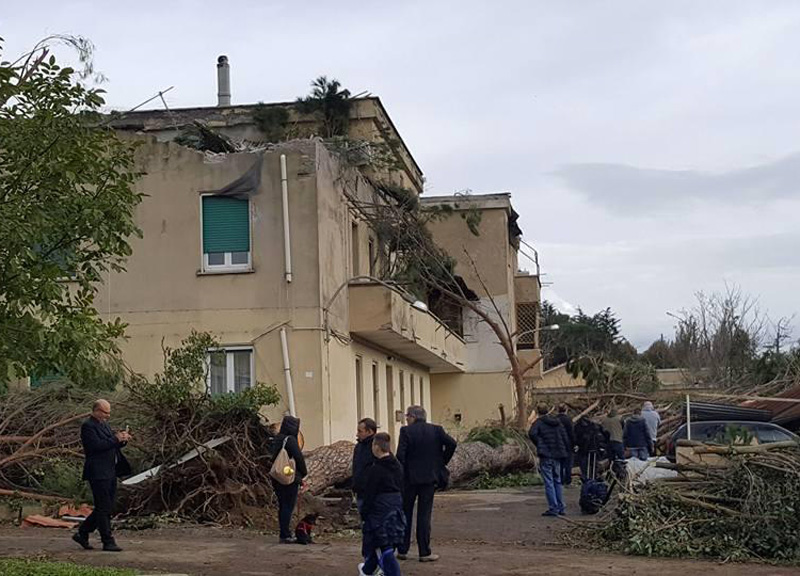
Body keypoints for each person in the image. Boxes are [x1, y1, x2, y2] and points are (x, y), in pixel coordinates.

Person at [396, 405, 457, 563]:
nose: (407, 419)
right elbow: (452, 444)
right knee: (424, 515)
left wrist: (404, 471)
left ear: (414, 417)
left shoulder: (406, 432)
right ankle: (424, 552)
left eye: (408, 416)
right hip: (430, 478)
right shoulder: (436, 430)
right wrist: (441, 461)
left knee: (406, 513)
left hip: (410, 479)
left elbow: (400, 456)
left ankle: (402, 549)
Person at [72, 399, 131, 552]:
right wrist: (115, 439)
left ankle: (83, 532)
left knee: (106, 506)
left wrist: (122, 440)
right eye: (105, 412)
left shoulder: (104, 425)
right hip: (97, 472)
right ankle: (107, 540)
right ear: (96, 411)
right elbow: (96, 446)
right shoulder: (88, 426)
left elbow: (111, 444)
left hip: (110, 470)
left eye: (109, 412)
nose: (107, 416)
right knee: (103, 507)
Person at [358, 432, 405, 576]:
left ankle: (392, 573)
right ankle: (367, 570)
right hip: (395, 506)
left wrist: (364, 512)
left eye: (373, 445)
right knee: (385, 541)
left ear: (377, 447)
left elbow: (370, 494)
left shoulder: (376, 470)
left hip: (379, 509)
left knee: (381, 545)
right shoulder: (397, 465)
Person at [528, 404, 571, 516]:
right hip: (557, 454)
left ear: (538, 412)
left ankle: (553, 507)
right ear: (548, 411)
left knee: (549, 481)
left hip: (546, 454)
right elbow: (564, 436)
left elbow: (531, 433)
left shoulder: (538, 423)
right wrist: (566, 450)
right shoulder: (557, 422)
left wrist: (539, 443)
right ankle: (561, 506)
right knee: (558, 480)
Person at [271, 415, 307, 543]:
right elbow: (299, 458)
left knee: (282, 505)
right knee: (288, 505)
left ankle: (283, 532)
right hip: (288, 477)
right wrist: (303, 474)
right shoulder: (290, 440)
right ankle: (285, 534)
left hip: (276, 476)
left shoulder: (277, 439)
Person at [353, 418, 378, 561]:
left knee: (371, 524)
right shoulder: (359, 447)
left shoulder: (375, 447)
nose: (357, 434)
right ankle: (367, 553)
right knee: (365, 524)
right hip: (360, 490)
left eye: (360, 431)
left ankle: (373, 554)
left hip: (371, 492)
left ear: (370, 432)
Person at [574, 415, 604, 481]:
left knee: (585, 465)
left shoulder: (577, 427)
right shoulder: (594, 426)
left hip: (583, 449)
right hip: (592, 448)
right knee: (592, 464)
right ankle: (593, 477)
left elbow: (575, 438)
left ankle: (587, 478)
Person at [556, 404, 576, 487]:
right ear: (566, 410)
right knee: (568, 464)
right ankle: (568, 481)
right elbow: (571, 432)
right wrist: (574, 443)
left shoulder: (554, 419)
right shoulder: (568, 420)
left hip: (557, 444)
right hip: (567, 444)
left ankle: (559, 480)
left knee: (559, 464)